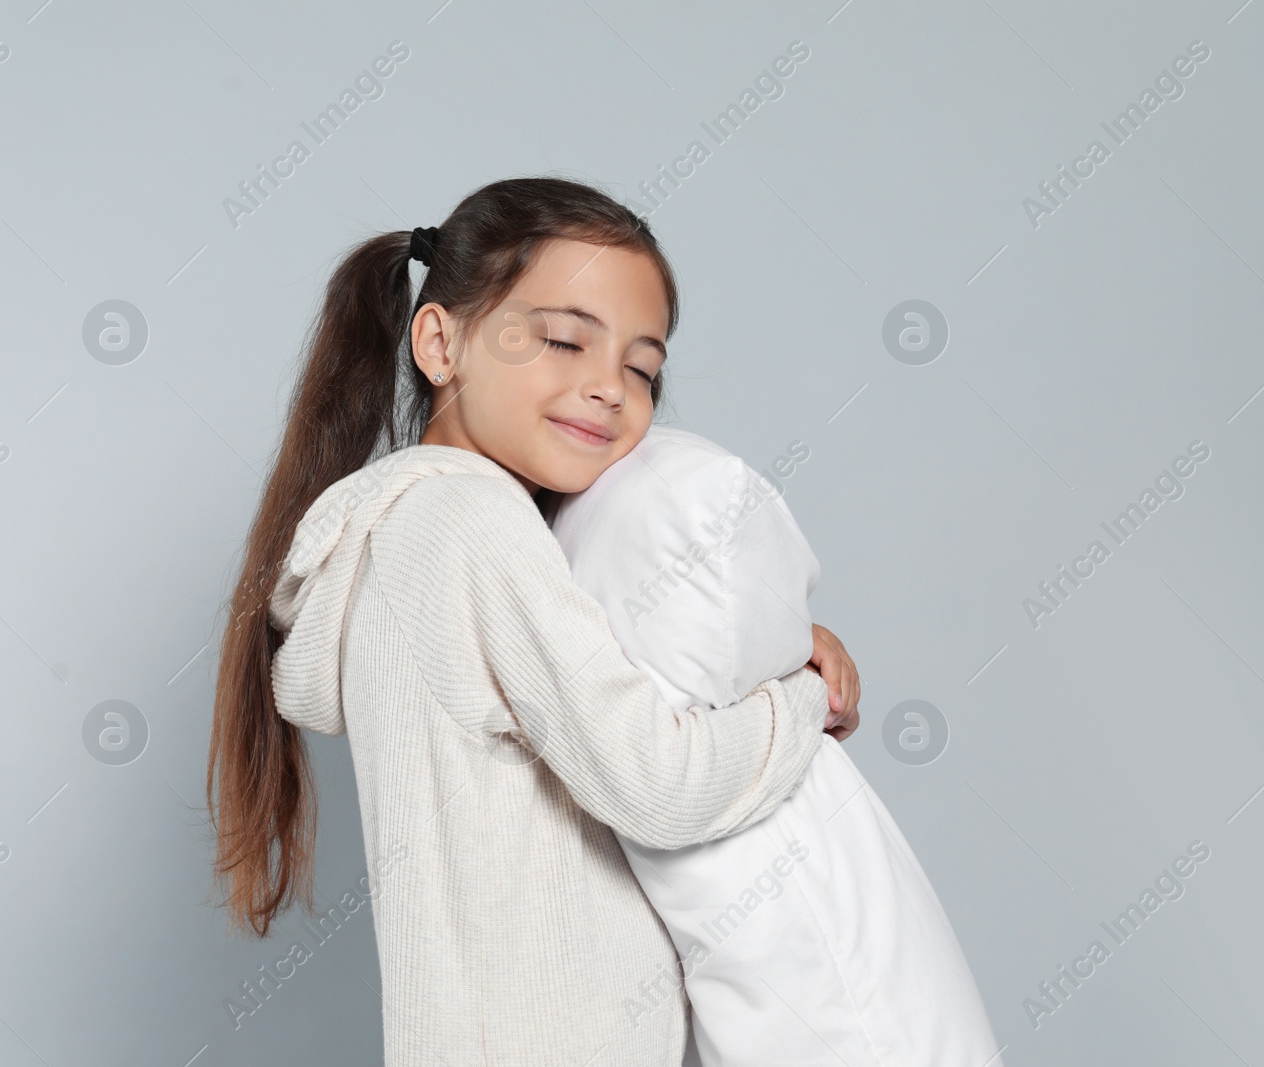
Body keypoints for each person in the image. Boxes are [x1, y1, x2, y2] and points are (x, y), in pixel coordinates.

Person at [206, 175, 861, 1065]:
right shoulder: (468, 523)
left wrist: (770, 647)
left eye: (642, 367)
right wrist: (801, 700)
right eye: (562, 340)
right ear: (439, 342)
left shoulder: (413, 532)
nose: (610, 389)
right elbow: (658, 782)